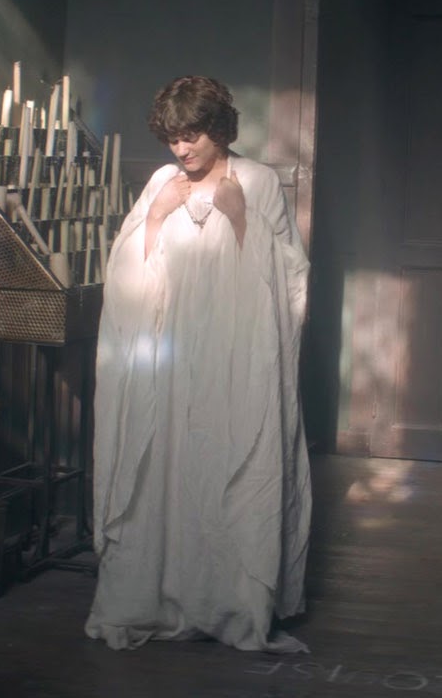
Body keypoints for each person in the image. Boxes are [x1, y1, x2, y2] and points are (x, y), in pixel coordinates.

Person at [85, 75, 312, 653]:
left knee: (229, 468)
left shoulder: (257, 182)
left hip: (235, 359)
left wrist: (241, 221)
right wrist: (155, 217)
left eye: (192, 136)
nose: (182, 149)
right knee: (164, 471)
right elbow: (128, 276)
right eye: (172, 139)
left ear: (219, 129)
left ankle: (229, 602)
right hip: (168, 360)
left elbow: (290, 282)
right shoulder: (161, 183)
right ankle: (156, 596)